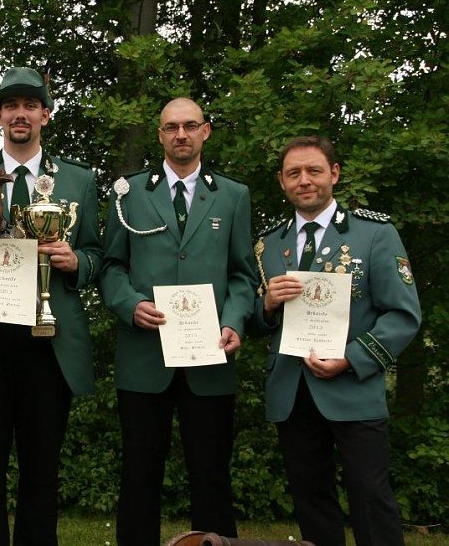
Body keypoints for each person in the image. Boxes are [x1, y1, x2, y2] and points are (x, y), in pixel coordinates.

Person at [0, 67, 102, 545]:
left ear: (46, 115)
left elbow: (97, 254)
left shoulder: (77, 179)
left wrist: (76, 261)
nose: (20, 114)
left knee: (41, 470)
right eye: (11, 106)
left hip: (49, 340)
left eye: (31, 105)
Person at [99, 97, 256, 543]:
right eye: (171, 127)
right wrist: (129, 304)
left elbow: (243, 274)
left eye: (190, 126)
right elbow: (111, 266)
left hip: (211, 358)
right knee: (139, 474)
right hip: (144, 357)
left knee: (211, 474)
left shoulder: (232, 194)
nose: (180, 135)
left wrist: (234, 321)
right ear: (160, 134)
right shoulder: (127, 192)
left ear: (206, 131)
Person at [252, 136, 421, 546]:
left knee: (371, 497)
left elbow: (403, 315)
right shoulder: (267, 243)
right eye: (294, 173)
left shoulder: (374, 234)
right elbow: (255, 322)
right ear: (281, 181)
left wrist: (351, 359)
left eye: (313, 170)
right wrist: (267, 305)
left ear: (335, 173)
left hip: (352, 385)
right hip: (293, 390)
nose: (304, 180)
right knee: (311, 500)